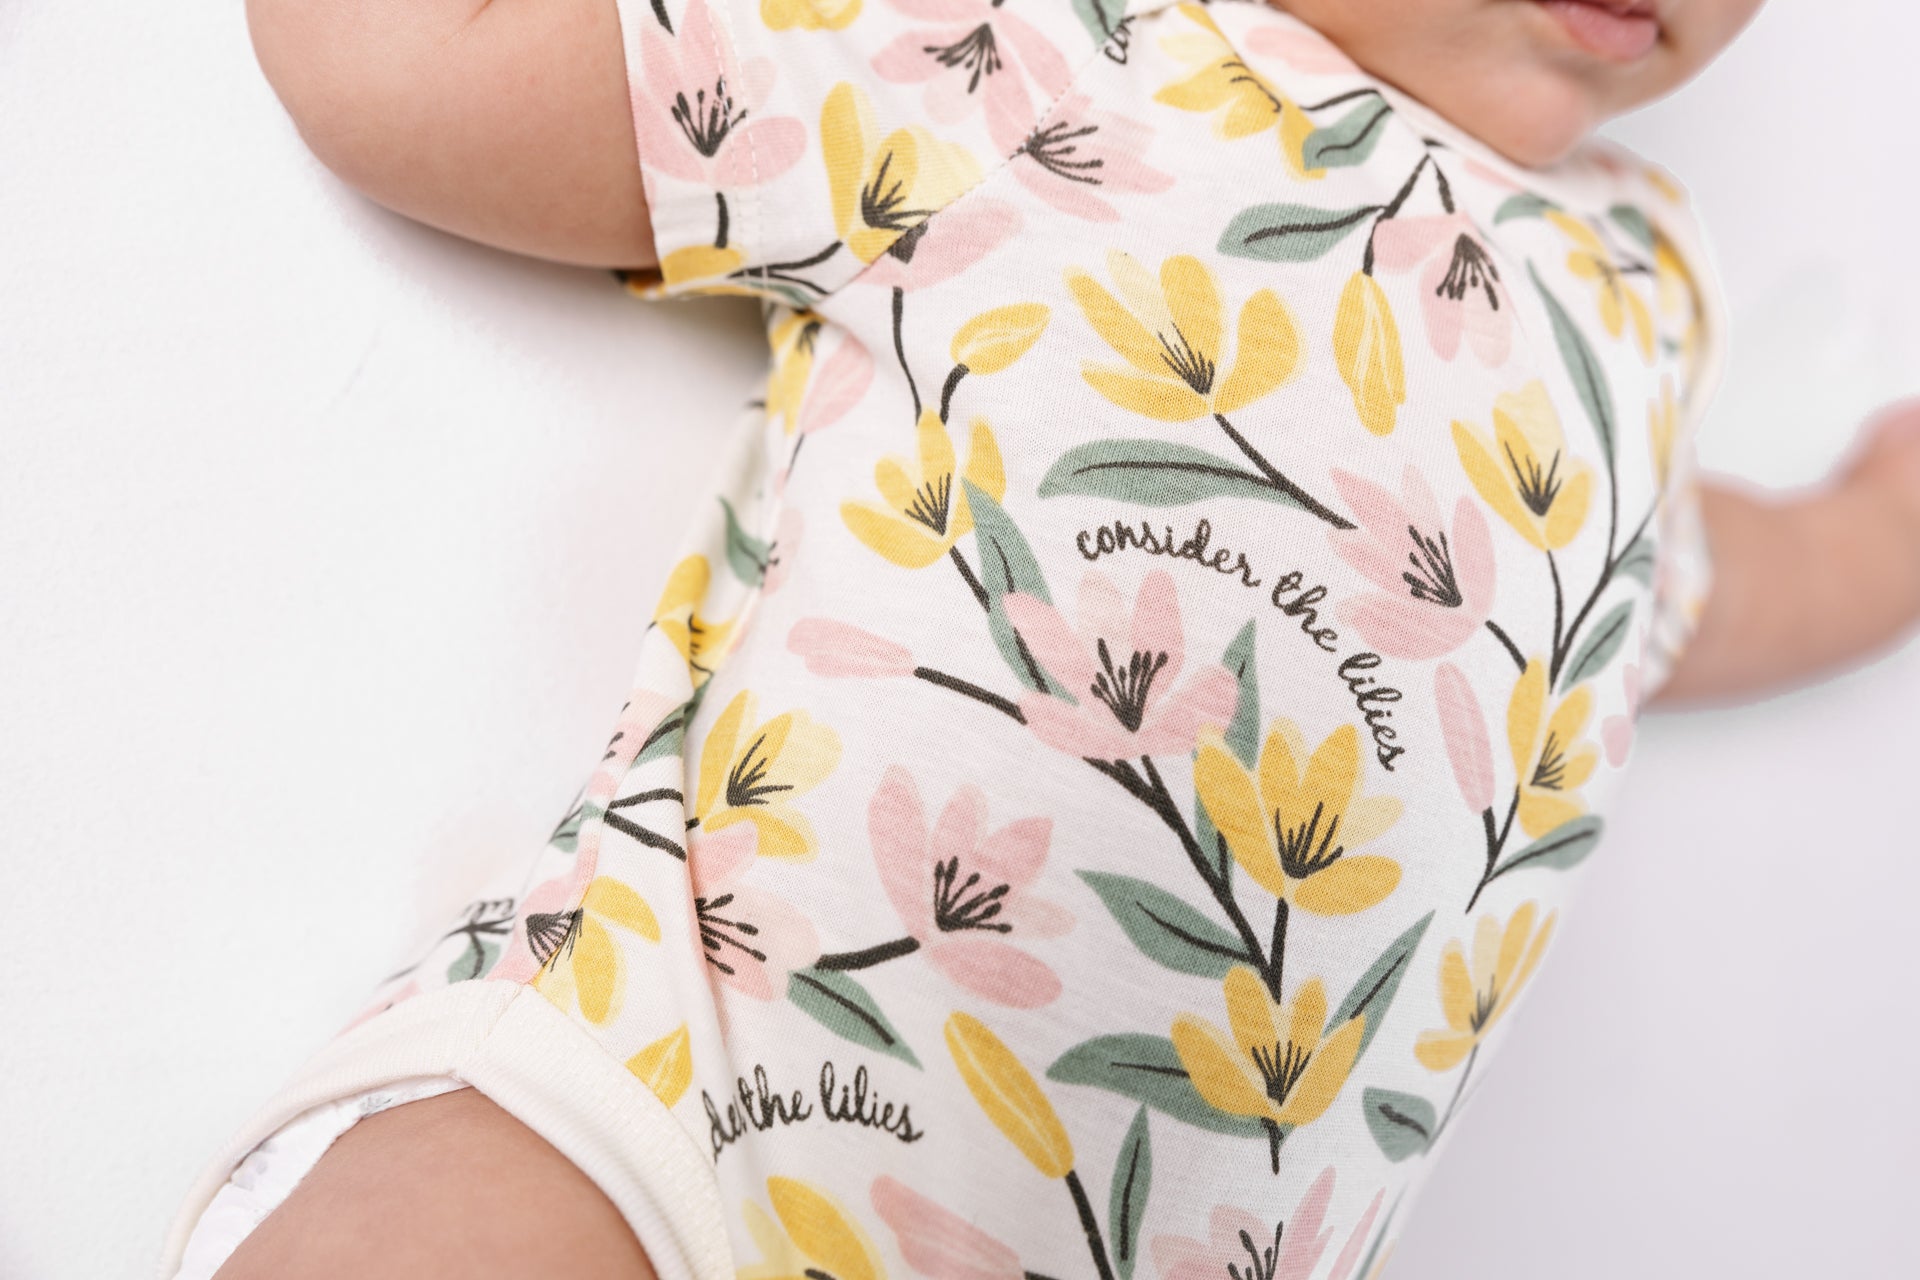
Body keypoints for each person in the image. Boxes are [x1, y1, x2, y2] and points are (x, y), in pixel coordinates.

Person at [166, 1, 1920, 1277]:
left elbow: (1680, 591)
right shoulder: (1058, 57)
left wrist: (1884, 534)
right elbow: (411, 71)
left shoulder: (1642, 297)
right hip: (683, 1113)